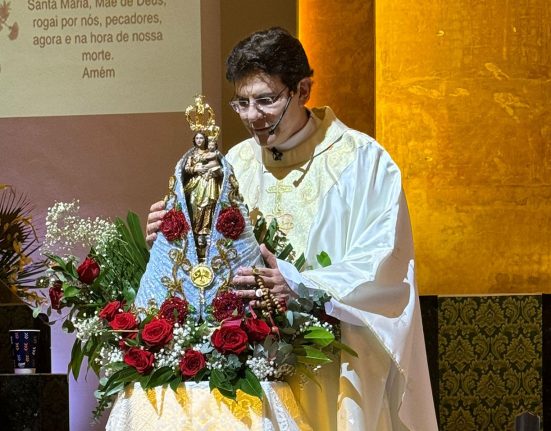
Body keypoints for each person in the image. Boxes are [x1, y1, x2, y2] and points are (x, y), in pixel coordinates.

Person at [146, 27, 438, 431]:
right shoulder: (236, 163)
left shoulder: (363, 162)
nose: (252, 117)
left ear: (303, 90)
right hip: (251, 372)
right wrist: (174, 238)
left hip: (331, 370)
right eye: (242, 103)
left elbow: (385, 266)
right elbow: (211, 263)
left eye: (266, 101)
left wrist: (299, 284)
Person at [183, 132, 223, 257]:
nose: (199, 140)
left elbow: (220, 168)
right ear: (194, 140)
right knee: (194, 206)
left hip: (208, 183)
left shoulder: (210, 152)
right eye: (197, 138)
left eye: (201, 138)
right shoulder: (191, 155)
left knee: (208, 205)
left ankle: (205, 231)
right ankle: (195, 232)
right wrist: (196, 169)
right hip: (195, 184)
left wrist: (214, 172)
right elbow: (186, 169)